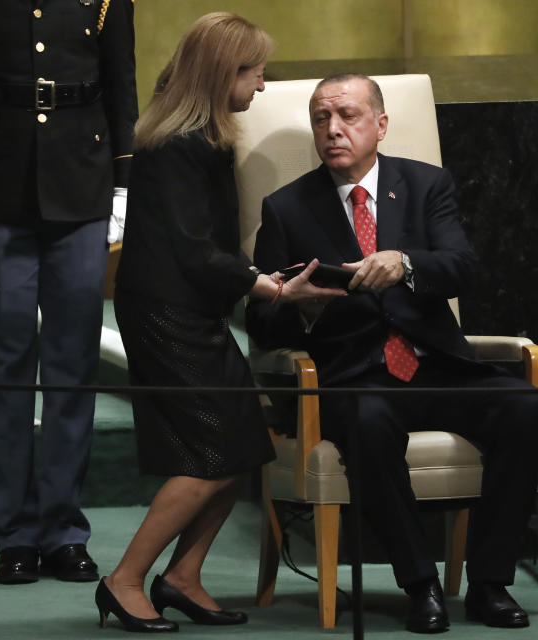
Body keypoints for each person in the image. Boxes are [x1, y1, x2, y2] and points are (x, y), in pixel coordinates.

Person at [245, 74, 538, 633]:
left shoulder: (426, 185)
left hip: (435, 365)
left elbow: (463, 267)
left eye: (348, 116)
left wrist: (408, 263)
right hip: (353, 376)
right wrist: (299, 303)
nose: (332, 129)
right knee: (368, 419)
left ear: (380, 125)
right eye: (320, 118)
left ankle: (488, 582)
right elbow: (260, 322)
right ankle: (420, 584)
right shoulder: (287, 208)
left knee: (525, 405)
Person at [97, 13, 345, 633]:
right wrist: (273, 287)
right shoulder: (178, 146)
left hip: (190, 309)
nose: (261, 86)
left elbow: (205, 251)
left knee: (241, 446)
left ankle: (182, 577)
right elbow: (194, 250)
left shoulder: (199, 137)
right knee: (210, 452)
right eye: (254, 73)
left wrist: (265, 282)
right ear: (220, 72)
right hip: (166, 314)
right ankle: (123, 580)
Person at [0, 0, 138, 584]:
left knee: (73, 366)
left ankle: (64, 531)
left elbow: (121, 84)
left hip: (84, 183)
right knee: (6, 369)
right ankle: (14, 536)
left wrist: (125, 185)